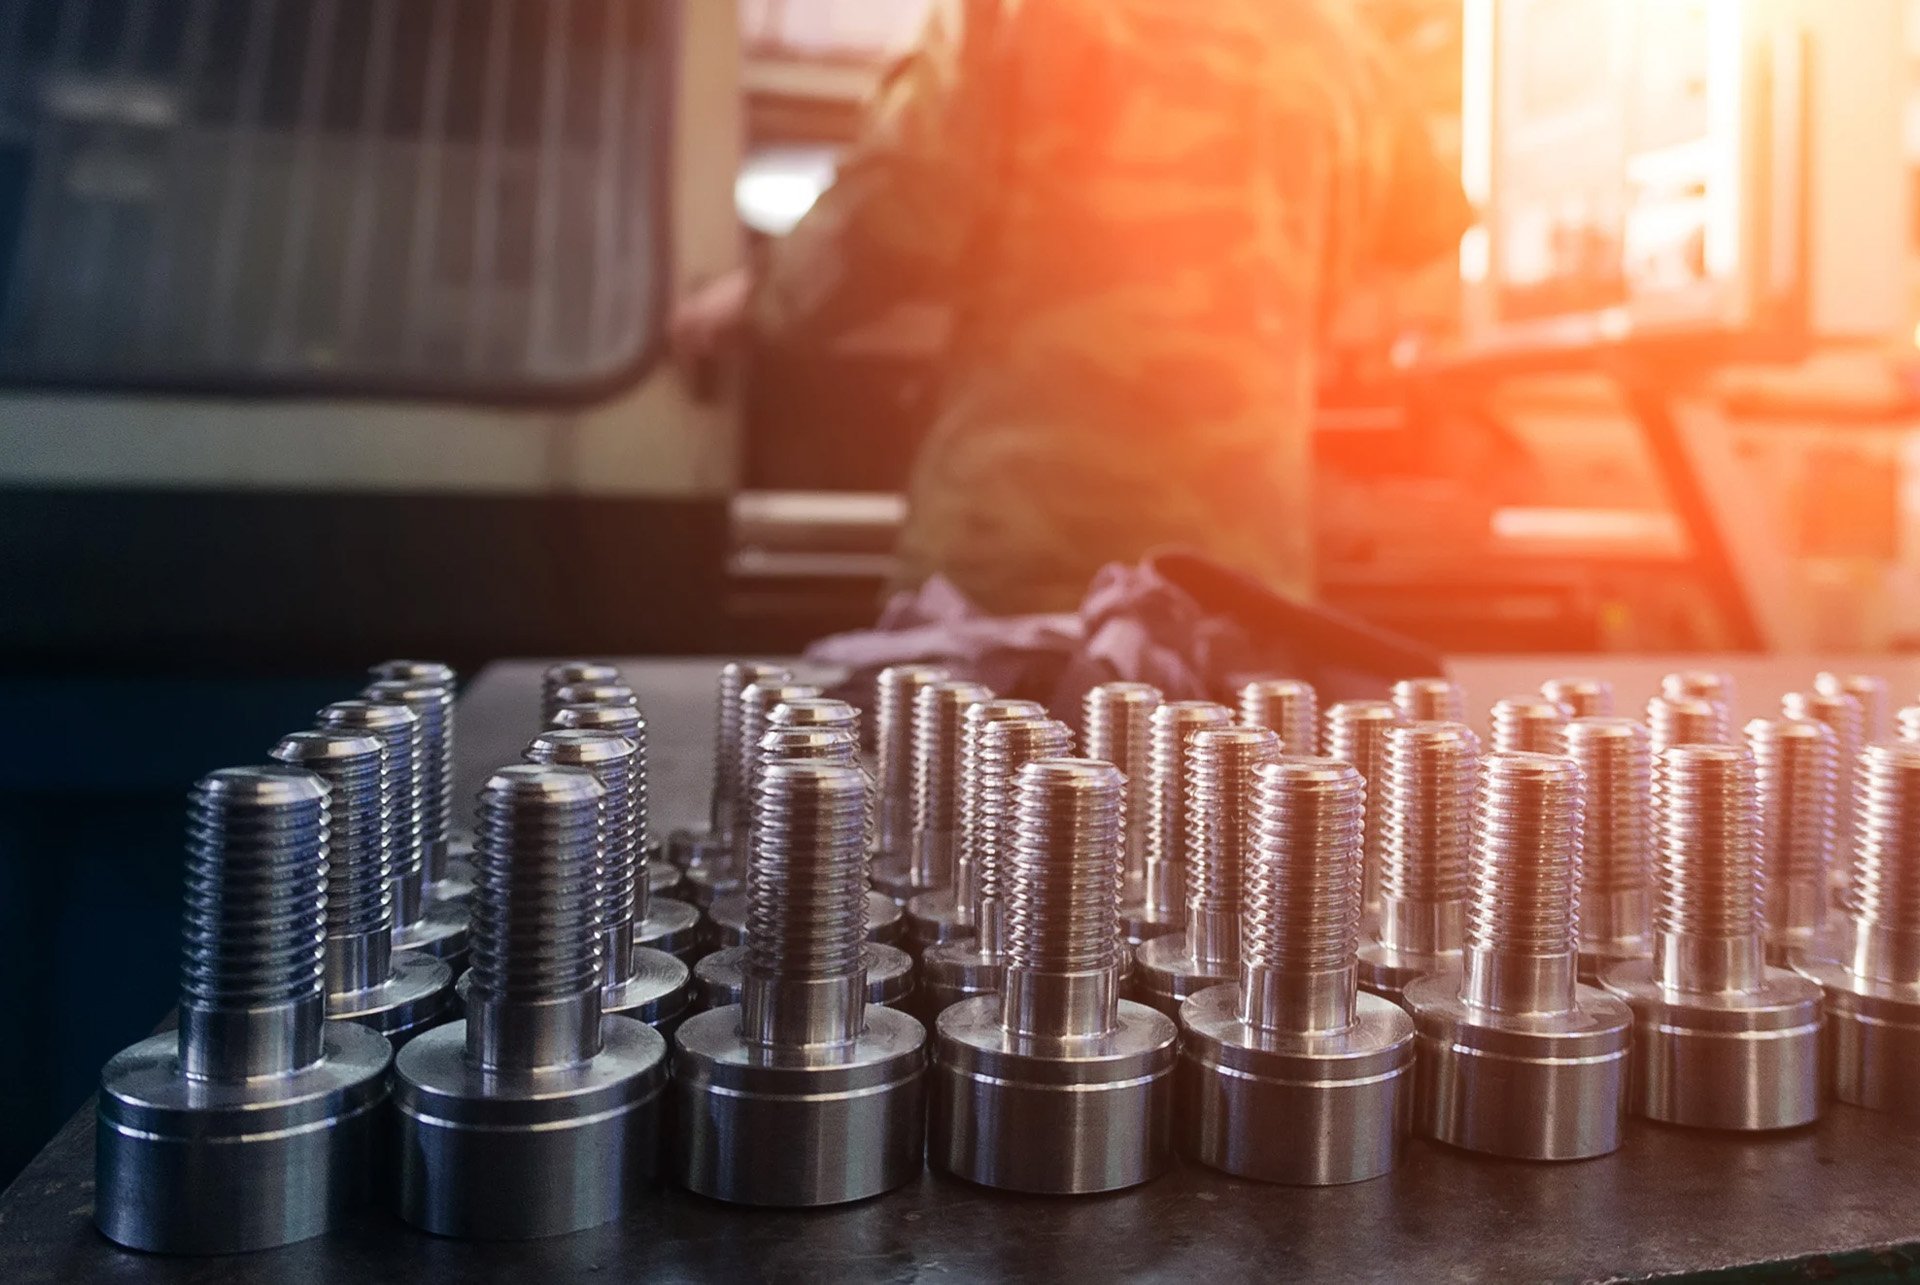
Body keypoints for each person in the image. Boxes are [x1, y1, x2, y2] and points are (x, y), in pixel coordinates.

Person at [673, 0, 1470, 615]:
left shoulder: (1016, 13)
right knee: (1215, 819)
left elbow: (898, 212)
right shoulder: (1331, 35)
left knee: (977, 818)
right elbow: (1430, 221)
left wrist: (743, 305)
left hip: (1024, 559)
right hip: (1237, 578)